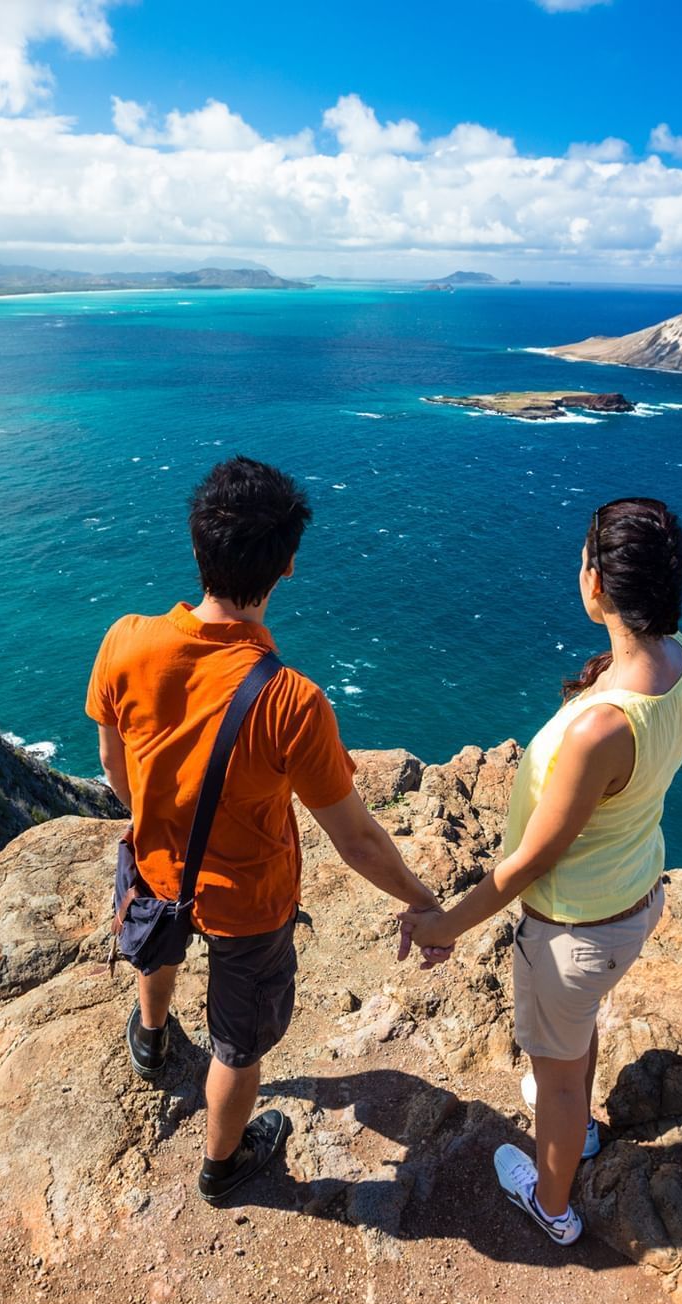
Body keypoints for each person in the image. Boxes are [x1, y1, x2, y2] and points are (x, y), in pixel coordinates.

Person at [87, 455, 446, 1206]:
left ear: (196, 549)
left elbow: (113, 762)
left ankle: (150, 1041)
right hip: (251, 898)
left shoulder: (124, 641)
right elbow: (356, 840)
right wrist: (424, 900)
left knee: (158, 940)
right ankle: (224, 1165)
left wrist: (154, 818)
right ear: (286, 567)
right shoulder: (292, 702)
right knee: (236, 1043)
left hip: (155, 862)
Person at [402, 498, 682, 1245]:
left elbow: (530, 860)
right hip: (633, 898)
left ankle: (553, 1203)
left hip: (574, 931)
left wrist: (444, 925)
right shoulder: (681, 659)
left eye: (582, 561)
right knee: (573, 1043)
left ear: (596, 584)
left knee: (558, 1075)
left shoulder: (602, 728)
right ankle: (581, 1131)